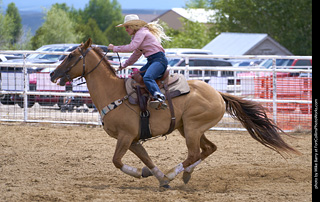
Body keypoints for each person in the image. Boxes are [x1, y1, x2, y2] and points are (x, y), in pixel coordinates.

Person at [108, 14, 171, 109]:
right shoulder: (138, 36)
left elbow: (131, 47)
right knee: (137, 77)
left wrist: (114, 48)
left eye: (127, 27)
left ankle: (159, 97)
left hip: (158, 60)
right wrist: (124, 65)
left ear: (133, 26)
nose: (126, 29)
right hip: (153, 61)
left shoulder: (141, 33)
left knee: (148, 77)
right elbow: (135, 55)